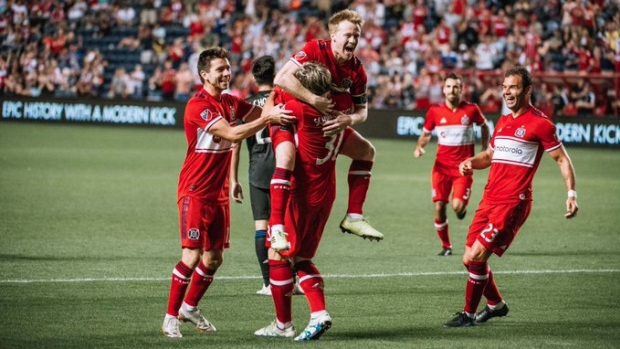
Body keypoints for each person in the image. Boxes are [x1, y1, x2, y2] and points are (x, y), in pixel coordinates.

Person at [161, 47, 293, 338]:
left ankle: (189, 307)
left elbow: (265, 112)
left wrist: (282, 86)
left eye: (228, 68)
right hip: (195, 189)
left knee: (214, 258)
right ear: (204, 74)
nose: (226, 73)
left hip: (217, 193)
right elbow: (233, 134)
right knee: (191, 256)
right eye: (219, 69)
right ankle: (170, 317)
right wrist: (266, 120)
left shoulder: (232, 103)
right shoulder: (199, 105)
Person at [443, 66, 579, 327]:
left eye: (513, 87)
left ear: (527, 90)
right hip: (489, 200)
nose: (507, 92)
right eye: (504, 88)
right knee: (468, 259)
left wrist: (571, 193)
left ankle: (468, 315)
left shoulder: (541, 124)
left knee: (476, 257)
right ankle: (496, 305)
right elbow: (490, 156)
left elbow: (562, 159)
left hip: (512, 203)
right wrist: (471, 161)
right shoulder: (504, 121)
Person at [267, 9, 383, 252]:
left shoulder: (356, 70)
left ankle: (354, 216)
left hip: (325, 119)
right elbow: (281, 77)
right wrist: (313, 99)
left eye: (357, 35)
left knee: (367, 152)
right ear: (333, 36)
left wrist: (348, 119)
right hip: (287, 114)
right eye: (348, 35)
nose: (353, 40)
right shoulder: (314, 49)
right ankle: (276, 226)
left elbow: (363, 112)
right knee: (287, 157)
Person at [254, 61, 349, 341]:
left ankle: (288, 323)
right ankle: (317, 313)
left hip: (301, 192)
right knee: (303, 257)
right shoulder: (338, 117)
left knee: (278, 254)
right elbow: (365, 152)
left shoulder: (298, 110)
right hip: (326, 192)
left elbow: (272, 103)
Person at [229, 55, 303, 296]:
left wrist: (233, 179)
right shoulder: (286, 99)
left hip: (258, 171)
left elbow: (236, 143)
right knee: (287, 223)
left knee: (262, 227)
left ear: (254, 78)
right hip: (285, 168)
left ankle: (268, 283)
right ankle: (292, 280)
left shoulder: (248, 104)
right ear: (275, 75)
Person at [413, 73, 490, 256]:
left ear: (461, 89)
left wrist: (485, 148)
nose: (452, 90)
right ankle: (446, 246)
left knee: (457, 207)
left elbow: (485, 126)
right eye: (448, 87)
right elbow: (425, 134)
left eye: (455, 87)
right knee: (439, 206)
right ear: (443, 89)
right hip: (440, 168)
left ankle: (461, 207)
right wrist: (419, 147)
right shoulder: (434, 111)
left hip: (463, 168)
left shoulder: (471, 110)